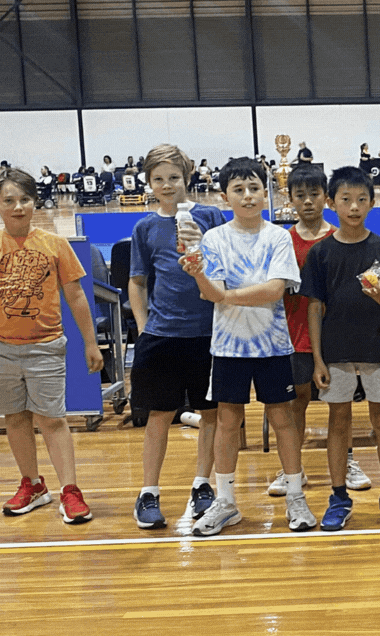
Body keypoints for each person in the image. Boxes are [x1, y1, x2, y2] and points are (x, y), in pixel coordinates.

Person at [0, 168, 104, 522]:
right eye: (9, 201)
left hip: (45, 347)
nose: (18, 207)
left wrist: (91, 343)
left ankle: (70, 491)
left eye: (25, 199)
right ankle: (33, 485)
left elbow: (77, 296)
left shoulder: (56, 245)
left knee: (53, 420)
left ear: (35, 202)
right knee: (15, 419)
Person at [182, 157, 316, 536]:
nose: (247, 196)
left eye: (254, 188)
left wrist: (227, 294)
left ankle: (295, 496)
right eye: (239, 190)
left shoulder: (277, 237)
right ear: (225, 196)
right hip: (228, 348)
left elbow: (275, 290)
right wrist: (199, 276)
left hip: (272, 346)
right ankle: (225, 502)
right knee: (227, 422)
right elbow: (210, 294)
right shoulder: (214, 239)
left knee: (283, 420)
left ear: (266, 193)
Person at [301, 167, 380, 531]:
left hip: (377, 349)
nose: (354, 207)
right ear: (331, 203)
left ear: (373, 203)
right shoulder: (320, 253)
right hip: (335, 352)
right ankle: (338, 497)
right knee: (339, 422)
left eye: (362, 200)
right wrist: (317, 358)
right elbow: (314, 307)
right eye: (346, 200)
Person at [127, 144, 226, 529]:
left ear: (187, 178)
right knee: (159, 414)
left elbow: (225, 265)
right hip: (163, 335)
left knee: (211, 412)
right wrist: (143, 324)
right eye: (158, 179)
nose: (167, 185)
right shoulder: (145, 228)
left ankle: (203, 485)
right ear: (148, 183)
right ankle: (148, 492)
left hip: (210, 333)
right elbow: (137, 282)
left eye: (173, 177)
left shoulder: (211, 216)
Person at [272, 164, 372, 498]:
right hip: (294, 334)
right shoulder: (282, 241)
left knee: (340, 404)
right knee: (295, 402)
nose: (308, 202)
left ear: (326, 198)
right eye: (300, 196)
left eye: (314, 194)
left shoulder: (338, 237)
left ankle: (347, 461)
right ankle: (292, 469)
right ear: (290, 200)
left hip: (336, 334)